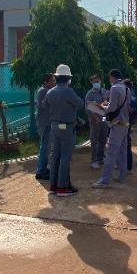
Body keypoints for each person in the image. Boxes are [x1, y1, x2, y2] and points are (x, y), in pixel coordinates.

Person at [46, 64, 85, 196]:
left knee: (55, 156)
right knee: (65, 157)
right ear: (67, 78)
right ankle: (62, 188)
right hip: (66, 127)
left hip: (54, 126)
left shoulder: (50, 92)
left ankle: (53, 186)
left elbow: (46, 105)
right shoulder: (68, 91)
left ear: (56, 77)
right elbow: (80, 104)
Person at [92, 69, 130, 188]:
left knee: (111, 153)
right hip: (125, 124)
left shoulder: (114, 88)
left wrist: (102, 107)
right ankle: (121, 176)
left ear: (112, 77)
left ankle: (104, 181)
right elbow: (125, 106)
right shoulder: (126, 88)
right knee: (122, 152)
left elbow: (112, 108)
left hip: (116, 124)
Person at [35, 72, 56, 180]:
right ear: (46, 82)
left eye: (54, 80)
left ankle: (43, 168)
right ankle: (41, 171)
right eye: (52, 81)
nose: (54, 82)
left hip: (47, 123)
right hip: (45, 123)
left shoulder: (46, 91)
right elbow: (41, 106)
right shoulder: (43, 91)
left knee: (46, 147)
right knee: (45, 147)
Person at [85, 74, 109, 169]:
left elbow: (107, 103)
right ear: (91, 82)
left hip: (104, 119)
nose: (97, 83)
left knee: (103, 139)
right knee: (94, 141)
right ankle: (94, 161)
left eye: (98, 81)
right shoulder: (90, 94)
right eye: (95, 82)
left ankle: (101, 158)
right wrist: (95, 118)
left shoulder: (104, 91)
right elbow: (88, 108)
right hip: (94, 121)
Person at [123, 78, 136, 171]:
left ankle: (127, 166)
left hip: (125, 123)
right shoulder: (132, 95)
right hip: (128, 122)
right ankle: (128, 165)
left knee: (125, 143)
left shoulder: (128, 97)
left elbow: (131, 110)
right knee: (126, 143)